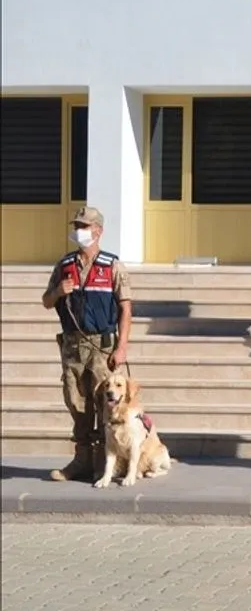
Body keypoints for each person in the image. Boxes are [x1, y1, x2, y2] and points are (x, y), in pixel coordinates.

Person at [40, 206, 133, 482]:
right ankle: (81, 460)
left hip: (102, 347)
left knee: (106, 403)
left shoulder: (112, 265)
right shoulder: (64, 264)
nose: (79, 231)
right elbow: (46, 301)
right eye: (77, 226)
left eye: (84, 226)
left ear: (98, 231)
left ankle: (105, 463)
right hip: (73, 346)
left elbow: (126, 308)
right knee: (76, 401)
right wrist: (58, 291)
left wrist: (122, 346)